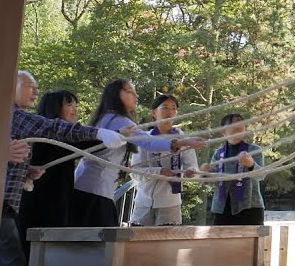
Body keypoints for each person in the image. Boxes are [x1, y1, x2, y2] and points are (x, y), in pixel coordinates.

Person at [0, 72, 124, 266]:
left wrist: (27, 170)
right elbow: (51, 128)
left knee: (13, 261)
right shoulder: (11, 115)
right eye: (30, 86)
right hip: (13, 205)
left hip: (11, 203)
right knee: (13, 262)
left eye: (37, 87)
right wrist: (98, 133)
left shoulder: (13, 119)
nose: (34, 91)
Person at [71, 79, 204, 228]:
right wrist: (181, 143)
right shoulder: (118, 120)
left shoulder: (107, 118)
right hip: (97, 188)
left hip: (92, 185)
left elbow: (191, 166)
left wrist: (192, 168)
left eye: (173, 108)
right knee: (99, 240)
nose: (136, 95)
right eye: (130, 91)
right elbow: (149, 143)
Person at [19, 91, 98, 256]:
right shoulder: (44, 135)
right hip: (38, 204)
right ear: (54, 107)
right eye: (69, 105)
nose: (75, 110)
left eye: (76, 106)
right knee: (27, 257)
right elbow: (87, 140)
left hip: (58, 202)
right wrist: (111, 133)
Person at [128, 94, 200, 227]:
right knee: (138, 244)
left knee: (166, 246)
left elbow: (192, 166)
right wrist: (159, 171)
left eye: (174, 108)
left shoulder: (184, 139)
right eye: (165, 107)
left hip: (171, 203)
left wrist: (192, 172)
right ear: (154, 113)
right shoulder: (144, 138)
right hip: (144, 202)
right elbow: (134, 172)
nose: (170, 112)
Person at [205, 113, 266, 226]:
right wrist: (206, 173)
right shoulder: (218, 154)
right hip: (222, 208)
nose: (237, 126)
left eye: (240, 123)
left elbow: (261, 176)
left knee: (250, 243)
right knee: (221, 241)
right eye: (232, 124)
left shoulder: (254, 150)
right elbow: (210, 183)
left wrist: (251, 164)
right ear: (223, 131)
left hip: (250, 207)